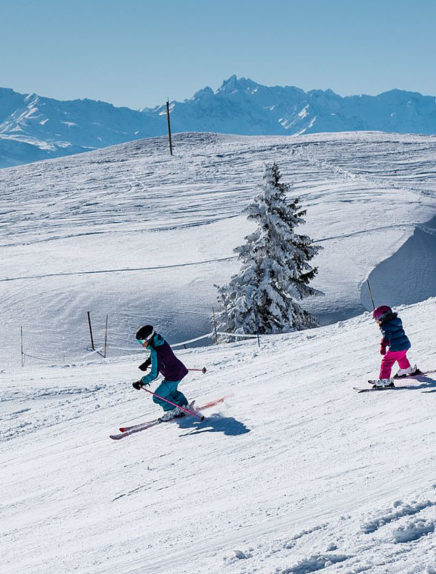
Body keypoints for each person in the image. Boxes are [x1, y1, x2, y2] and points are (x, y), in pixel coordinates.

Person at [132, 325, 190, 421]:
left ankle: (173, 410)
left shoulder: (156, 351)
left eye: (142, 341)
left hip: (172, 376)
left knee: (158, 397)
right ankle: (184, 405)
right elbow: (159, 355)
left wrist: (141, 382)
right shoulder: (159, 341)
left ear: (149, 338)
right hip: (179, 370)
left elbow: (154, 374)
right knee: (172, 392)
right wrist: (147, 363)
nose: (141, 345)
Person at [372, 305, 420, 387]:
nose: (377, 321)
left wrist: (383, 346)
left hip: (396, 347)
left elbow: (387, 336)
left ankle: (385, 380)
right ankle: (406, 369)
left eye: (377, 318)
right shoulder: (396, 321)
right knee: (401, 357)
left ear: (384, 316)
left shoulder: (385, 326)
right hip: (405, 345)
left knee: (386, 362)